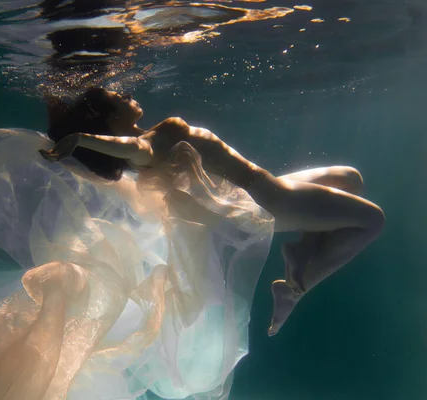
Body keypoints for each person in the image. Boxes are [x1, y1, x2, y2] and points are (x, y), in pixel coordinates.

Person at [40, 87, 386, 336]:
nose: (125, 93)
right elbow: (127, 146)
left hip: (266, 188)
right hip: (273, 200)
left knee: (348, 178)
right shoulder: (144, 149)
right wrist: (81, 138)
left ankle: (301, 254)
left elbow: (131, 142)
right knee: (372, 221)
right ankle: (296, 288)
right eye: (117, 98)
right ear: (111, 118)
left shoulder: (150, 137)